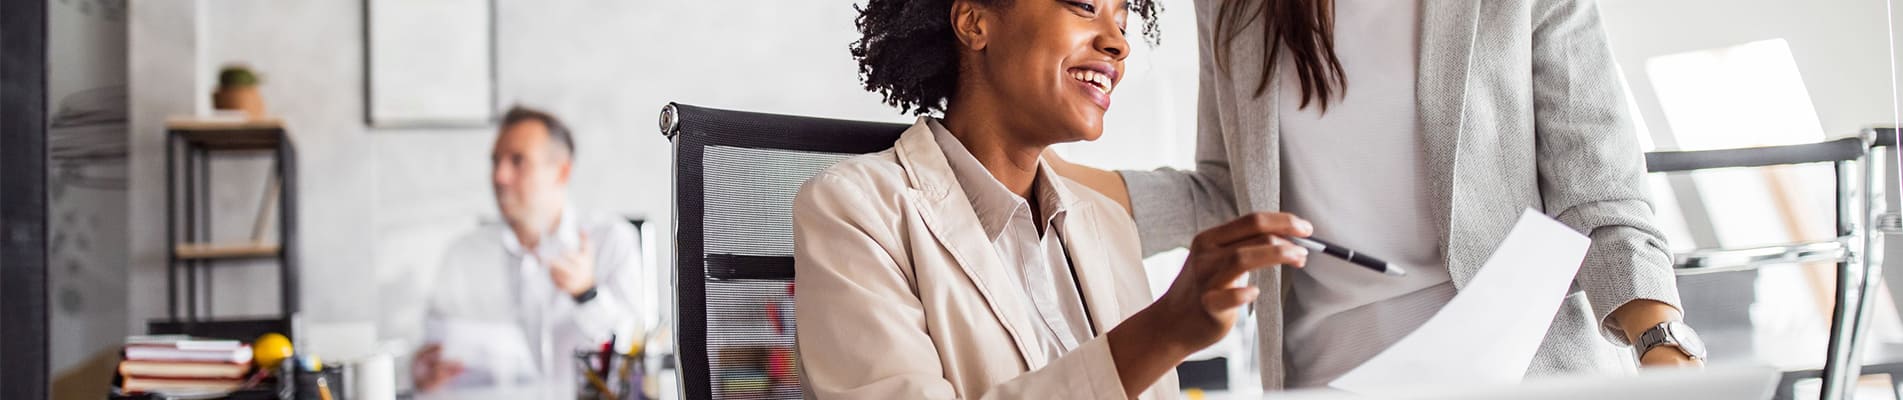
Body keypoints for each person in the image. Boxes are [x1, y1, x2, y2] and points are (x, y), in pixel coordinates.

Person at [1046, 0, 1705, 390]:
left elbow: (1598, 191)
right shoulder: (1232, 8)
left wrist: (1662, 345)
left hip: (1521, 374)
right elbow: (1229, 195)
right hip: (1328, 376)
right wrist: (1034, 169)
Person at [793, 0, 1317, 398]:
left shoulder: (1108, 224)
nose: (1118, 44)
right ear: (974, 21)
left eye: (1123, 22)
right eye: (1085, 6)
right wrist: (1160, 333)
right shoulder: (854, 211)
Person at [410, 106, 647, 393]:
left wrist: (587, 294)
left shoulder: (611, 240)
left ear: (561, 172)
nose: (499, 176)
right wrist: (421, 374)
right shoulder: (463, 255)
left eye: (517, 160)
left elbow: (636, 356)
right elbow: (431, 354)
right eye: (495, 161)